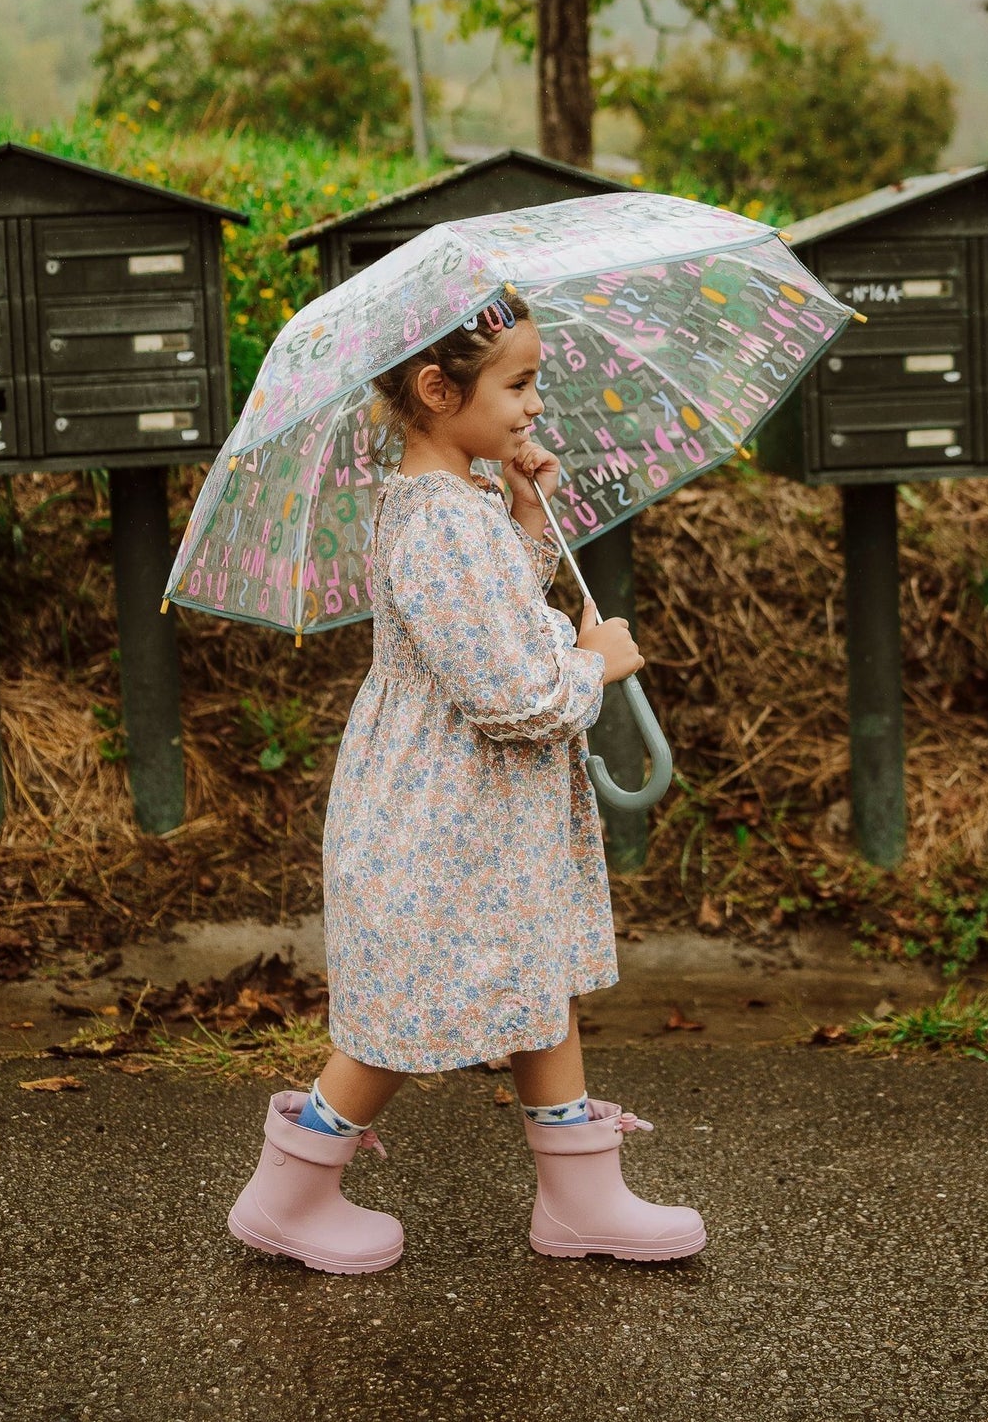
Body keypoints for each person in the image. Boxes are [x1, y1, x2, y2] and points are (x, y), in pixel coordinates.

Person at [227, 286, 706, 1273]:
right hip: (438, 820)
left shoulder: (465, 506)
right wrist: (595, 665)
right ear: (440, 390)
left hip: (481, 816)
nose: (535, 405)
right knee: (399, 1020)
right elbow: (514, 696)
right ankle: (287, 1194)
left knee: (538, 987)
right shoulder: (439, 523)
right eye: (517, 384)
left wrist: (527, 511)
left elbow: (491, 610)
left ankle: (580, 1198)